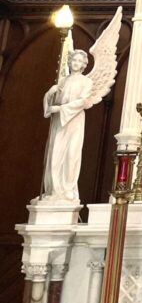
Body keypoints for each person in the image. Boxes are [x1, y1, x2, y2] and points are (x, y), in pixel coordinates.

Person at [41, 51, 93, 202]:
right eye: (74, 60)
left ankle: (68, 188)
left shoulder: (86, 82)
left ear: (84, 64)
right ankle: (53, 189)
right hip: (59, 121)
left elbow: (83, 101)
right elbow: (50, 105)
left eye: (79, 61)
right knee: (55, 153)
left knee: (72, 154)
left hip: (74, 120)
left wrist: (61, 109)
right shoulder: (62, 81)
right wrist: (49, 94)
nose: (76, 63)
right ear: (69, 62)